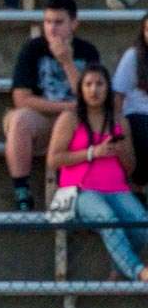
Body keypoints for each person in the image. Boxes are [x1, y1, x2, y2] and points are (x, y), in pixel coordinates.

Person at [47, 64, 148, 281]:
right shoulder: (70, 118)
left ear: (108, 88)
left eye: (100, 84)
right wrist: (93, 152)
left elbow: (130, 167)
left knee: (142, 224)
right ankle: (139, 271)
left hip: (116, 188)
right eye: (88, 84)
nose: (94, 90)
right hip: (80, 191)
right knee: (108, 219)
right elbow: (54, 159)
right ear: (81, 89)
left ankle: (118, 270)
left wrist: (121, 153)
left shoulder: (120, 120)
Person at [4, 0, 101, 211]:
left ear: (74, 24)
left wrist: (67, 62)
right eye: (47, 22)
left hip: (75, 123)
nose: (51, 28)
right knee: (19, 119)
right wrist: (68, 107)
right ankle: (22, 192)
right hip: (42, 119)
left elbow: (93, 100)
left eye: (58, 22)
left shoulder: (87, 52)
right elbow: (21, 99)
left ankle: (69, 192)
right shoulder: (33, 48)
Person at [112, 13, 148, 188]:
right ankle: (138, 187)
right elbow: (118, 96)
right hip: (138, 114)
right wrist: (118, 125)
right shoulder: (133, 56)